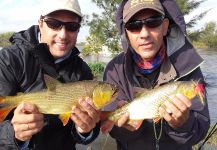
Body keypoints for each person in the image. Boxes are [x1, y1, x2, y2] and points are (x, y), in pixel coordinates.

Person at [103, 0, 210, 149]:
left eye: (153, 22)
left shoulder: (189, 67)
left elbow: (201, 130)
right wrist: (123, 128)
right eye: (134, 26)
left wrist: (183, 125)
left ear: (165, 26)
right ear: (126, 33)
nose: (144, 34)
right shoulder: (114, 70)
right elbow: (112, 130)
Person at [0, 0, 100, 149]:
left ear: (78, 30)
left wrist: (85, 130)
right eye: (54, 24)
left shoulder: (83, 70)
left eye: (72, 27)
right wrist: (15, 135)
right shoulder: (9, 59)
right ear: (40, 23)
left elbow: (86, 134)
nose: (63, 34)